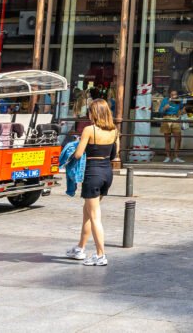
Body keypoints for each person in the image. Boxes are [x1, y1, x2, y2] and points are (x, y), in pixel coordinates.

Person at [65, 99, 118, 266]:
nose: (88, 114)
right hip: (107, 173)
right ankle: (79, 248)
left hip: (92, 173)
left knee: (95, 216)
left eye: (89, 111)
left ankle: (100, 255)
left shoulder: (89, 129)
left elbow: (78, 154)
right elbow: (113, 155)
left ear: (94, 113)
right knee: (88, 212)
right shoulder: (114, 130)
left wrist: (75, 147)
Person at [157, 90, 185, 163]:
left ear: (177, 95)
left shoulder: (179, 100)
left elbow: (182, 109)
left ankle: (176, 157)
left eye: (175, 95)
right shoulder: (165, 100)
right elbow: (160, 111)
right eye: (172, 95)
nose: (173, 96)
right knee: (167, 139)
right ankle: (168, 157)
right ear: (169, 94)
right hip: (166, 118)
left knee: (178, 139)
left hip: (175, 118)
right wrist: (164, 108)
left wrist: (183, 111)